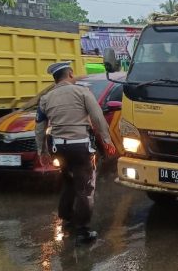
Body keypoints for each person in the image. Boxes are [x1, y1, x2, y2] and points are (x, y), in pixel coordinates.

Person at [36, 62, 117, 244]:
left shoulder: (46, 98)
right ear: (70, 74)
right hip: (80, 147)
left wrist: (41, 151)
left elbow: (39, 127)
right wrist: (107, 140)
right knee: (85, 189)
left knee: (68, 182)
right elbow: (97, 117)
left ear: (55, 78)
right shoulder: (82, 92)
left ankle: (67, 219)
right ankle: (83, 231)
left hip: (59, 149)